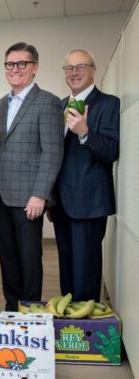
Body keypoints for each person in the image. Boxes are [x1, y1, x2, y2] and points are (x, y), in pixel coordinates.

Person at [0, 42, 64, 311]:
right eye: (10, 64)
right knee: (8, 259)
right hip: (0, 196)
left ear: (34, 67)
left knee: (29, 260)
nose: (15, 69)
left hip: (29, 198)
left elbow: (52, 152)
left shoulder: (48, 102)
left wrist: (41, 194)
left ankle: (31, 313)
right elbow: (0, 146)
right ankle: (12, 310)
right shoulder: (1, 104)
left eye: (22, 64)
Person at [49, 49, 120, 302]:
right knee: (67, 268)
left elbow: (112, 150)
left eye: (81, 67)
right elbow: (55, 156)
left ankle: (86, 327)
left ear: (93, 70)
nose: (74, 72)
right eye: (69, 68)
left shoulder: (109, 103)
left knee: (86, 271)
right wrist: (50, 197)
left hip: (89, 203)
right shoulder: (59, 105)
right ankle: (70, 325)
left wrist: (85, 132)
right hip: (61, 204)